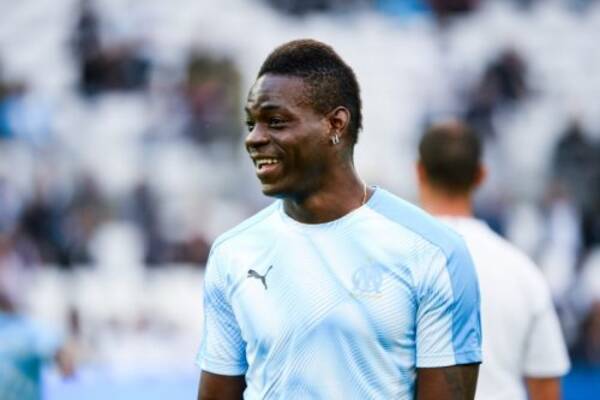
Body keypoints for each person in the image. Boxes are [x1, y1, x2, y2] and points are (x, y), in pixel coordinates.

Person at [196, 39, 482, 399]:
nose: (254, 138)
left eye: (276, 122)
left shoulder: (435, 252)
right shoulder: (233, 253)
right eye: (251, 123)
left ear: (335, 124)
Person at [416, 120, 571, 400]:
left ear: (419, 172)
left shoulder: (392, 264)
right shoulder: (522, 271)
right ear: (481, 175)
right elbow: (547, 388)